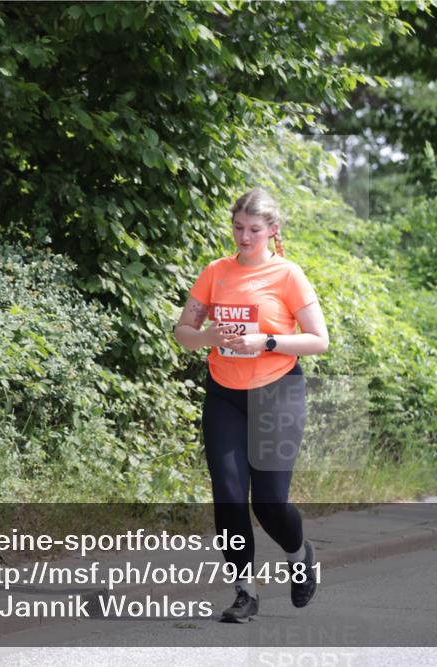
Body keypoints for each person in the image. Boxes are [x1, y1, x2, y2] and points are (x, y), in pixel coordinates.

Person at [173, 188, 330, 623]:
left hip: (277, 392)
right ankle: (245, 590)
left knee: (270, 503)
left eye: (254, 230)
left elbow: (320, 339)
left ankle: (299, 555)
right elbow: (183, 329)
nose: (244, 237)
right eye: (238, 228)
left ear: (272, 231)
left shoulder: (288, 275)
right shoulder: (215, 273)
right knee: (227, 496)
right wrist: (207, 338)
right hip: (224, 394)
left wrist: (268, 341)